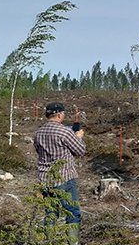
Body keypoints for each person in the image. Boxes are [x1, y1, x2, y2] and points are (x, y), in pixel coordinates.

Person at [34, 102, 85, 243]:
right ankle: (72, 242)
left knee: (51, 213)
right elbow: (80, 151)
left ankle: (48, 241)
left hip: (45, 179)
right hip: (65, 178)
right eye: (63, 113)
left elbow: (39, 152)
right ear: (59, 114)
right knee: (73, 213)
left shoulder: (39, 132)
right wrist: (79, 137)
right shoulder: (65, 131)